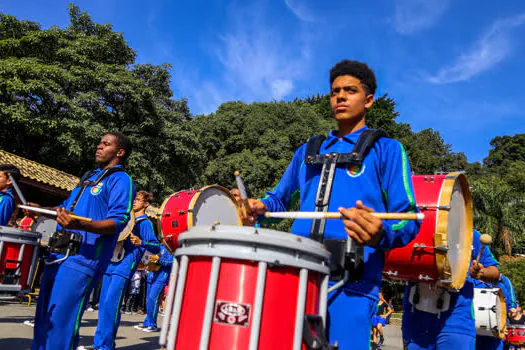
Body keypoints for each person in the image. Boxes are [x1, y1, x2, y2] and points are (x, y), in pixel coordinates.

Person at [246, 60, 420, 348]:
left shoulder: (388, 150)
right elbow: (278, 201)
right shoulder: (306, 151)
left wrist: (381, 233)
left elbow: (408, 217)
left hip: (354, 281)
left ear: (369, 100)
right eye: (334, 91)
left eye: (350, 90)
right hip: (296, 274)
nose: (340, 96)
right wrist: (260, 209)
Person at [31, 132, 136, 350]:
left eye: (105, 144)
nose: (99, 147)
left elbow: (117, 222)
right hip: (59, 253)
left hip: (83, 259)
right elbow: (66, 209)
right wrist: (39, 209)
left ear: (120, 152)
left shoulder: (121, 180)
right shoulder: (89, 178)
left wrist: (80, 225)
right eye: (99, 142)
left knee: (61, 322)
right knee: (45, 319)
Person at [86, 191, 161, 350]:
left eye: (139, 200)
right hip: (111, 264)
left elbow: (156, 247)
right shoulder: (127, 220)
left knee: (112, 306)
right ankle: (99, 343)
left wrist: (141, 242)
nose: (134, 202)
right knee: (104, 305)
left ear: (146, 204)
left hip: (124, 267)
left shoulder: (145, 223)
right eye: (134, 199)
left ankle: (105, 345)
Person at [402, 229, 501, 350]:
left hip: (457, 320)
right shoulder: (414, 227)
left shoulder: (468, 231)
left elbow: (495, 272)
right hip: (415, 321)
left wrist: (482, 272)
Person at [134, 244, 173, 332]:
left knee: (153, 299)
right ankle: (147, 323)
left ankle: (152, 324)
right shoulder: (157, 245)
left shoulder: (170, 247)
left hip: (161, 276)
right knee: (148, 300)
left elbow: (171, 261)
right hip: (151, 275)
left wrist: (158, 259)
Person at [474, 273, 518, 350]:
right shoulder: (472, 282)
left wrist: (511, 308)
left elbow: (510, 304)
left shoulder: (501, 284)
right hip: (474, 329)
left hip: (496, 329)